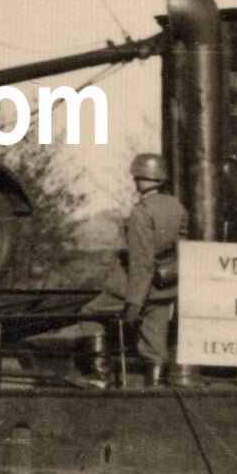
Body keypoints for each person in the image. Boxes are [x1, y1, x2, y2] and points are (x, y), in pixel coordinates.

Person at [65, 152, 188, 389]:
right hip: (166, 287)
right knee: (154, 343)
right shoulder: (177, 207)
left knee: (90, 315)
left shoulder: (142, 212)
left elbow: (141, 262)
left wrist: (134, 303)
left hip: (135, 287)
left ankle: (99, 376)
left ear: (140, 178)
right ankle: (156, 391)